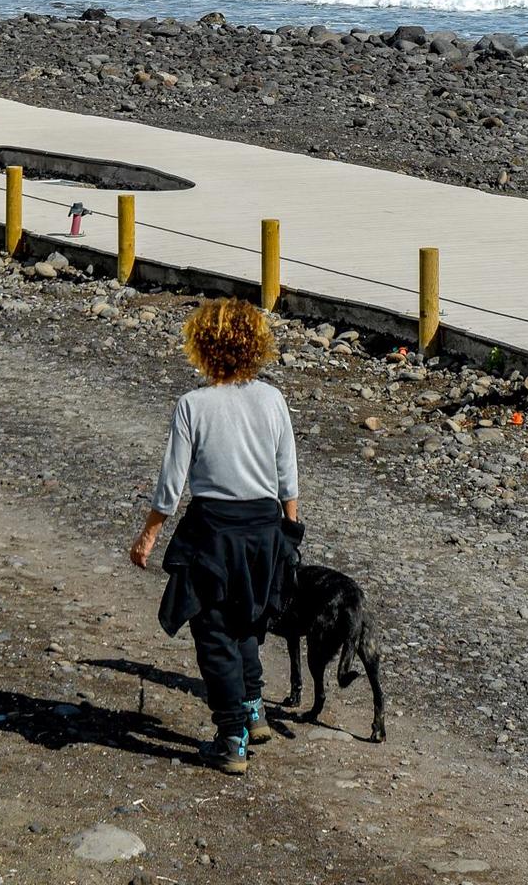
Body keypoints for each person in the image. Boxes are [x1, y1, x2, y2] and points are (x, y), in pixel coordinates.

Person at [130, 298, 301, 774]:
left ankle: (231, 739)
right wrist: (291, 533)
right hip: (266, 529)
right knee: (247, 620)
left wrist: (147, 537)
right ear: (256, 345)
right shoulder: (271, 398)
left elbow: (171, 484)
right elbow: (287, 473)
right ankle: (253, 710)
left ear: (201, 346)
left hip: (214, 532)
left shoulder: (193, 405)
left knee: (214, 632)